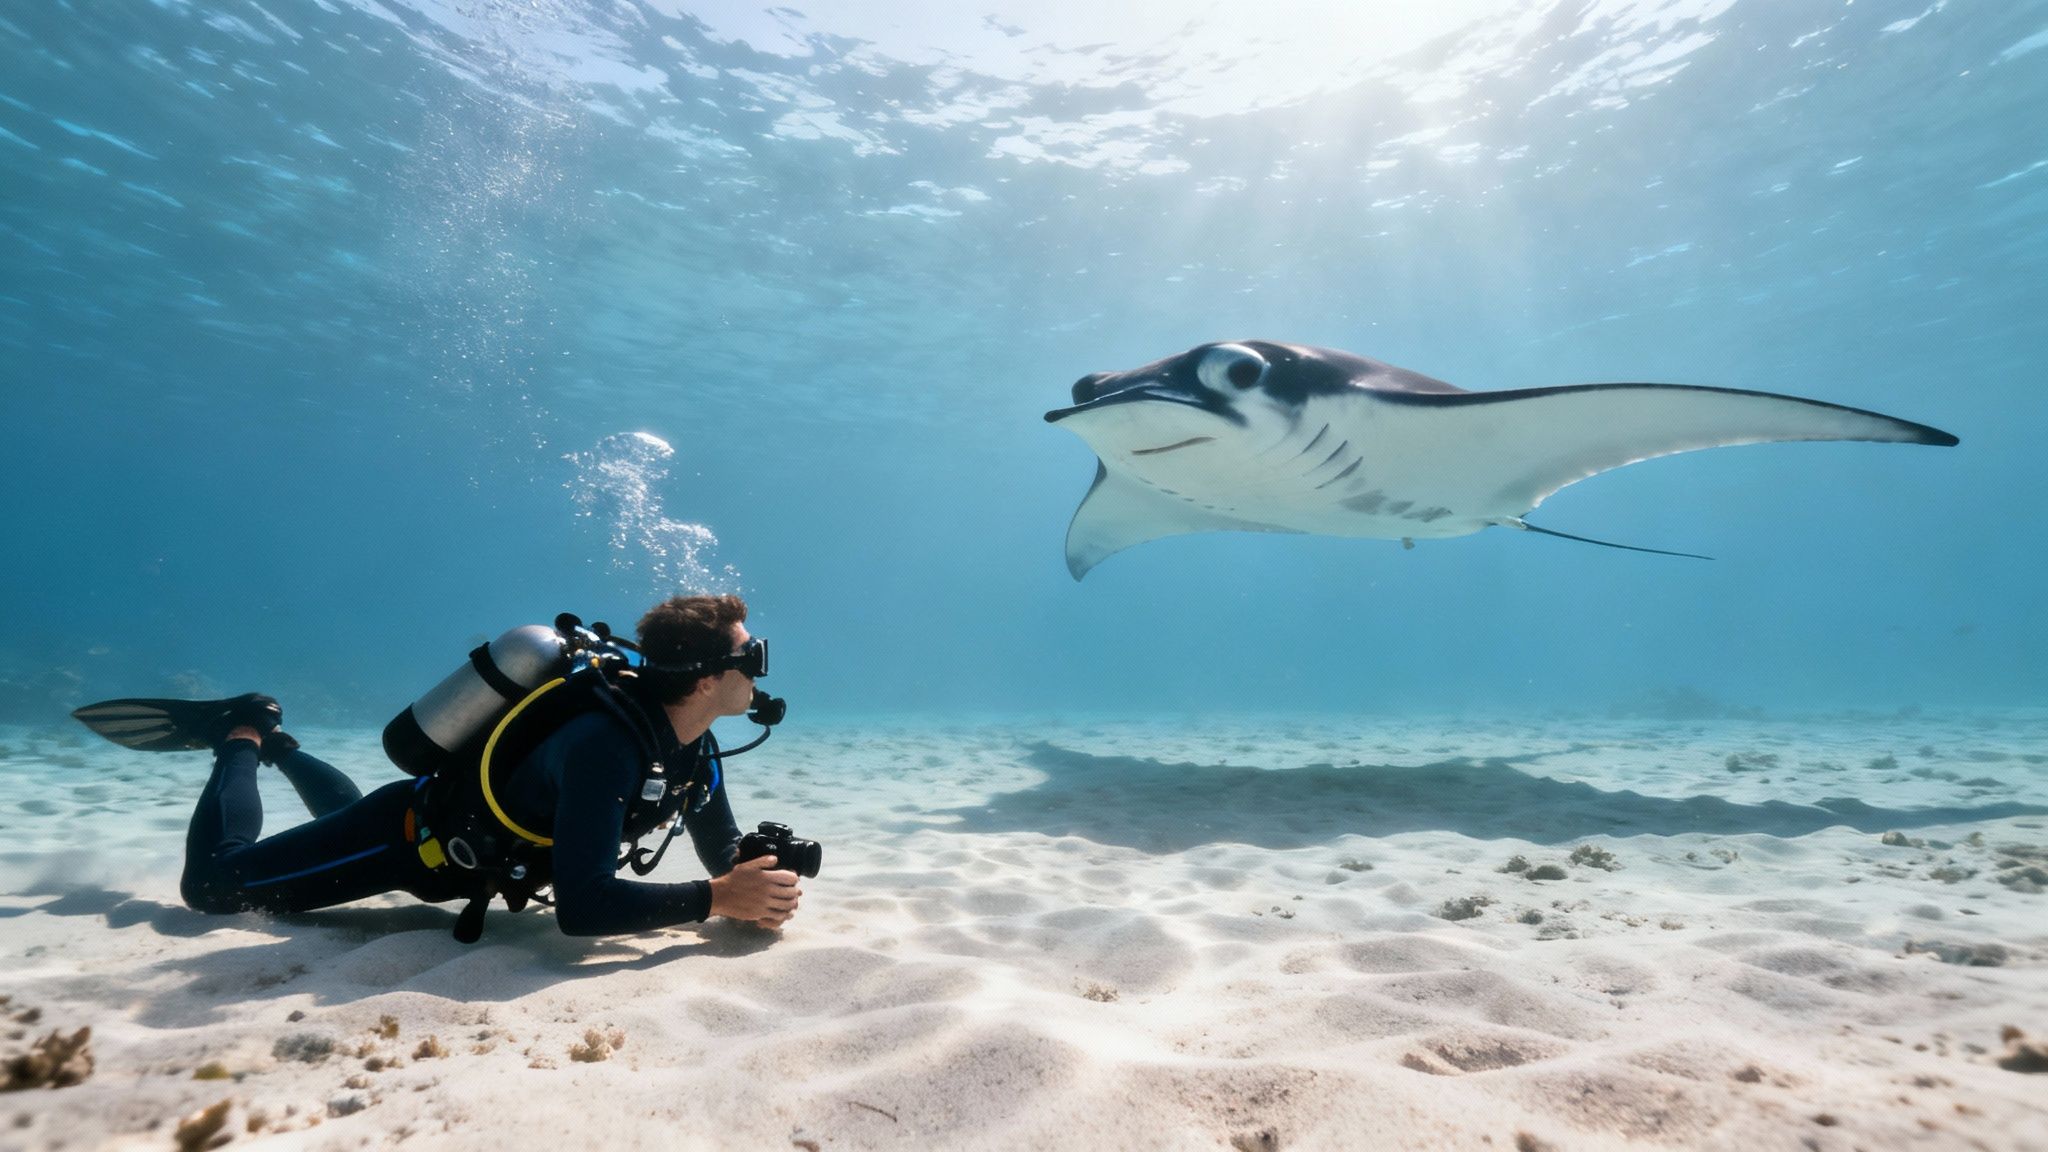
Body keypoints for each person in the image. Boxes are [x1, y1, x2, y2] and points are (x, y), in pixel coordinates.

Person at [167, 594, 801, 935]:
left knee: (343, 812)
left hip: (459, 850)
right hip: (412, 844)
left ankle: (281, 746)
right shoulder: (605, 747)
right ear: (705, 678)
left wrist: (760, 886)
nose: (760, 670)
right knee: (214, 886)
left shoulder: (697, 750)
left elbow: (723, 861)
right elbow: (585, 909)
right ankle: (243, 736)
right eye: (753, 655)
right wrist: (717, 899)